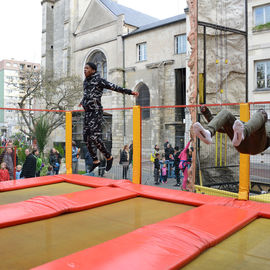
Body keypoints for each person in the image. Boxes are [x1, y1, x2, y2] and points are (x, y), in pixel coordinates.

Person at [79, 62, 139, 173]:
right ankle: (95, 161)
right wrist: (82, 101)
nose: (84, 70)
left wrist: (130, 92)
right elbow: (87, 94)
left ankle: (109, 157)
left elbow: (114, 87)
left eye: (87, 68)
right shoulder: (86, 82)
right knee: (86, 138)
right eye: (84, 68)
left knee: (95, 137)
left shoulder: (99, 80)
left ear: (93, 70)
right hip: (87, 112)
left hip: (95, 112)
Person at [193, 105, 270, 155]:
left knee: (262, 113)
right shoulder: (245, 125)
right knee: (226, 113)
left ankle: (243, 132)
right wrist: (206, 113)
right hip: (239, 142)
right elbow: (220, 127)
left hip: (256, 146)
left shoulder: (261, 127)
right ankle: (208, 133)